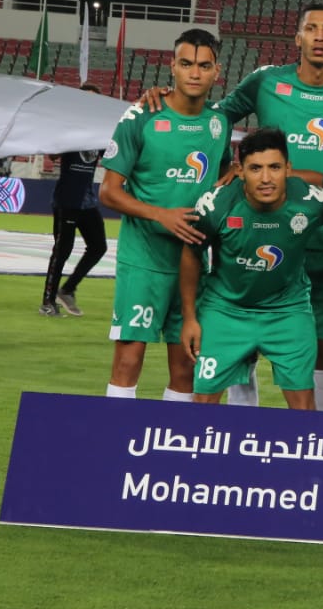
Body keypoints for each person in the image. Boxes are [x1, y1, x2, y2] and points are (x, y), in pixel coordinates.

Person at [206, 3, 323, 411]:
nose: (319, 36)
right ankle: (243, 429)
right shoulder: (265, 80)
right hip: (259, 230)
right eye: (311, 28)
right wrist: (227, 165)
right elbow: (217, 117)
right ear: (298, 38)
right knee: (243, 338)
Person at [99, 29, 232, 401]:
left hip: (194, 262)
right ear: (172, 66)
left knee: (186, 366)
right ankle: (117, 434)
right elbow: (108, 191)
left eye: (203, 65)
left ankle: (172, 438)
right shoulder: (141, 116)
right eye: (186, 64)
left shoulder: (220, 123)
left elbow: (221, 178)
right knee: (129, 358)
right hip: (144, 260)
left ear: (217, 71)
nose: (194, 73)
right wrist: (161, 215)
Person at [181, 128, 323, 408]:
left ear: (288, 169)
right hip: (226, 310)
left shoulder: (311, 200)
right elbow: (190, 253)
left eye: (275, 167)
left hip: (288, 311)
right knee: (203, 402)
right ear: (240, 171)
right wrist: (189, 318)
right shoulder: (216, 205)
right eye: (256, 168)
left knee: (304, 407)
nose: (266, 178)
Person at [39, 83, 108, 317]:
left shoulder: (99, 132)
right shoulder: (69, 126)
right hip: (67, 200)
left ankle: (67, 289)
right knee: (62, 251)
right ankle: (47, 301)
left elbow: (111, 156)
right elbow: (52, 154)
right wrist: (70, 136)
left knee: (98, 246)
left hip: (86, 201)